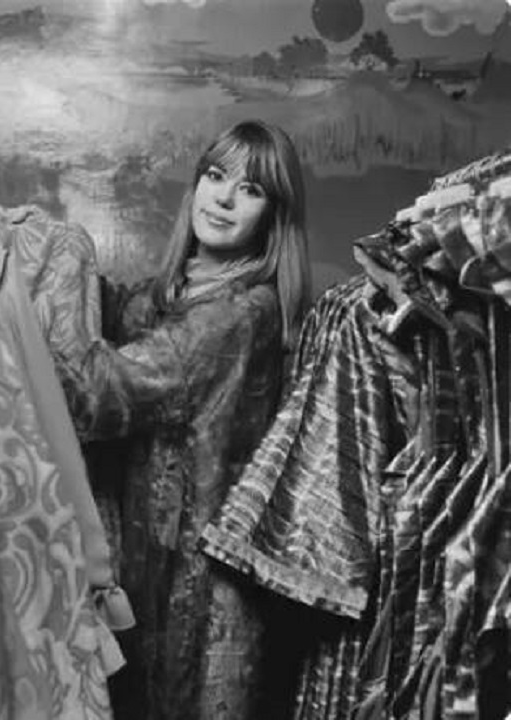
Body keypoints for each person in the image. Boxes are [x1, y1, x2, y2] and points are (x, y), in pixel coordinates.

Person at [58, 119, 311, 720]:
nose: (223, 198)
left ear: (274, 216)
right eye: (216, 176)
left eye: (250, 190)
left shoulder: (244, 313)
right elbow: (127, 309)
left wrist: (60, 261)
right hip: (148, 574)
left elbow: (101, 393)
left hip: (201, 594)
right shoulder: (174, 294)